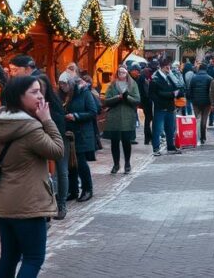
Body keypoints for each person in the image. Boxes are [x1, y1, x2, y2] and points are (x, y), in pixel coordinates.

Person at [0, 74, 64, 277]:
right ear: (18, 97)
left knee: (9, 256)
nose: (40, 96)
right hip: (27, 204)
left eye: (40, 91)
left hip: (4, 201)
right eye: (34, 92)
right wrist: (47, 120)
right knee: (33, 258)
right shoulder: (30, 128)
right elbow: (57, 150)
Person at [11, 56, 70, 220]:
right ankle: (47, 206)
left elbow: (60, 122)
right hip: (40, 140)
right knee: (45, 172)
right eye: (34, 90)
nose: (38, 93)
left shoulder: (52, 103)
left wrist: (47, 120)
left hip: (57, 137)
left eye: (39, 90)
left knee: (61, 170)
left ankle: (61, 204)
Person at [60, 70, 99, 203]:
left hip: (82, 134)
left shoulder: (85, 93)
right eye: (60, 85)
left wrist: (76, 116)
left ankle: (87, 189)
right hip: (70, 134)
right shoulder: (66, 95)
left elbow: (93, 111)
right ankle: (73, 189)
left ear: (70, 84)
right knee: (71, 164)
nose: (62, 88)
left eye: (64, 85)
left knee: (81, 163)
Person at [103, 67, 140, 174]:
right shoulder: (113, 85)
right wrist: (117, 98)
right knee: (114, 142)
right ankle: (116, 164)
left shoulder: (132, 84)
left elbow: (137, 100)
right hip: (114, 117)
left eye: (123, 72)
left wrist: (127, 97)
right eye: (119, 72)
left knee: (126, 141)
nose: (121, 74)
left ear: (127, 73)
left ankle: (127, 164)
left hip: (127, 117)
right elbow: (107, 101)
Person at [149, 55, 182, 156]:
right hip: (161, 108)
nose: (169, 69)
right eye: (167, 67)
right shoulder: (155, 78)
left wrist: (171, 75)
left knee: (170, 129)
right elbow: (154, 94)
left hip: (170, 107)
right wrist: (171, 94)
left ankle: (170, 147)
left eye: (170, 67)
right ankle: (156, 148)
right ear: (162, 67)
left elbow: (178, 87)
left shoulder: (169, 77)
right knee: (158, 129)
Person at [188, 62, 214, 145]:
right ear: (206, 69)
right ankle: (203, 137)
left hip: (196, 102)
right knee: (204, 119)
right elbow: (211, 92)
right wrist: (212, 102)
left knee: (197, 119)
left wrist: (191, 99)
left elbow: (190, 90)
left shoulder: (194, 78)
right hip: (207, 102)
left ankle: (196, 137)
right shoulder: (209, 78)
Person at [130, 64, 151, 145]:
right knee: (135, 119)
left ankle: (147, 138)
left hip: (143, 102)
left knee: (146, 120)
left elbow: (145, 91)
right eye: (136, 71)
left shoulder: (140, 78)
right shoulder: (137, 79)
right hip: (138, 102)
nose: (137, 73)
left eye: (138, 71)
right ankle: (134, 137)